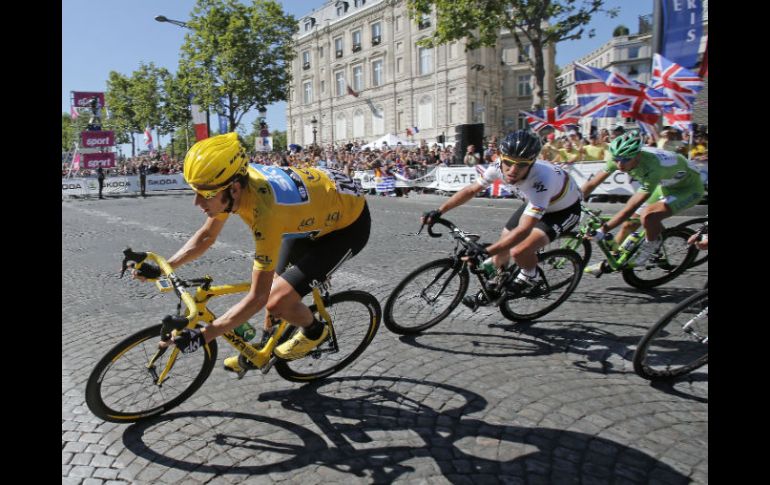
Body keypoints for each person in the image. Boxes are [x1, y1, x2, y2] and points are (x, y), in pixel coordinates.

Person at [131, 133, 371, 372]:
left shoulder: (265, 215)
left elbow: (258, 297)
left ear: (234, 189)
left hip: (347, 227)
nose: (197, 202)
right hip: (313, 211)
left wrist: (205, 335)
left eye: (205, 194)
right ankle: (263, 350)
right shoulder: (231, 184)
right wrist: (166, 266)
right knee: (274, 292)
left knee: (276, 300)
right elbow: (206, 236)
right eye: (196, 192)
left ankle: (315, 331)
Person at [421, 130, 582, 307]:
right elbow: (471, 190)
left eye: (521, 165)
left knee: (519, 250)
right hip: (536, 203)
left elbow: (523, 230)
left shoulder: (542, 180)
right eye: (509, 163)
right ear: (501, 158)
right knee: (505, 239)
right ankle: (497, 283)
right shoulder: (497, 166)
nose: (513, 170)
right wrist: (439, 211)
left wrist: (487, 252)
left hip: (563, 211)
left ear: (532, 163)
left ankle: (531, 275)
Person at [580, 131, 705, 276]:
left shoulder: (653, 167)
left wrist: (603, 230)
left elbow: (630, 206)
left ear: (638, 155)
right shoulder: (619, 157)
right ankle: (613, 259)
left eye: (626, 160)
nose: (620, 164)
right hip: (665, 185)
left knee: (648, 216)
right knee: (630, 224)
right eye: (617, 159)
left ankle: (651, 245)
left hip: (688, 189)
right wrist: (572, 203)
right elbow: (592, 183)